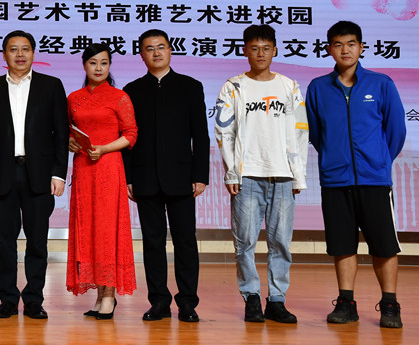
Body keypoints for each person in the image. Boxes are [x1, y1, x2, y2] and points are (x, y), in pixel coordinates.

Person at [306, 21, 407, 329]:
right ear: (329, 49)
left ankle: (389, 303)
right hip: (335, 181)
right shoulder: (318, 88)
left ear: (361, 48)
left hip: (374, 180)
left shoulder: (381, 84)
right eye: (338, 44)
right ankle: (346, 302)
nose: (345, 50)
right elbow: (316, 134)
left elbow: (396, 131)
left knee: (384, 245)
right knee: (342, 245)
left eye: (351, 44)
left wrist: (378, 161)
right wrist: (334, 159)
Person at [215, 24, 308, 324]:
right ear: (245, 51)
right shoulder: (233, 86)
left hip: (282, 176)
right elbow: (224, 131)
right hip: (247, 176)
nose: (260, 54)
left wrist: (298, 175)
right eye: (254, 48)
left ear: (275, 50)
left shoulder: (289, 86)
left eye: (266, 48)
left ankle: (277, 300)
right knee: (244, 242)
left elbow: (300, 132)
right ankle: (252, 297)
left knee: (280, 242)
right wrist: (232, 172)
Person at [0, 30, 68, 320]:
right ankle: (7, 300)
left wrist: (59, 173)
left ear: (33, 53)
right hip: (2, 174)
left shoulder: (51, 86)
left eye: (25, 49)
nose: (20, 54)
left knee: (37, 241)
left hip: (39, 175)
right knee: (4, 242)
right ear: (4, 54)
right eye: (13, 49)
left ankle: (34, 300)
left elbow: (61, 133)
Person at [123, 29, 209, 323]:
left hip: (182, 178)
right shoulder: (132, 90)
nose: (156, 53)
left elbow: (201, 135)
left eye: (161, 47)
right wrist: (128, 177)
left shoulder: (190, 87)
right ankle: (158, 300)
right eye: (149, 48)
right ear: (141, 55)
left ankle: (187, 302)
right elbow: (128, 137)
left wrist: (200, 175)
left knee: (185, 241)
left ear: (170, 50)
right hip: (145, 178)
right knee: (152, 242)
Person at [65, 43, 138, 319]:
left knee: (108, 229)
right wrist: (70, 142)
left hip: (108, 166)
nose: (98, 68)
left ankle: (109, 295)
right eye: (93, 62)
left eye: (104, 63)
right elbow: (66, 130)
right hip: (83, 168)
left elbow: (131, 134)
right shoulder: (73, 98)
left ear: (110, 66)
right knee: (88, 229)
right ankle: (99, 294)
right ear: (84, 65)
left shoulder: (120, 97)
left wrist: (105, 148)